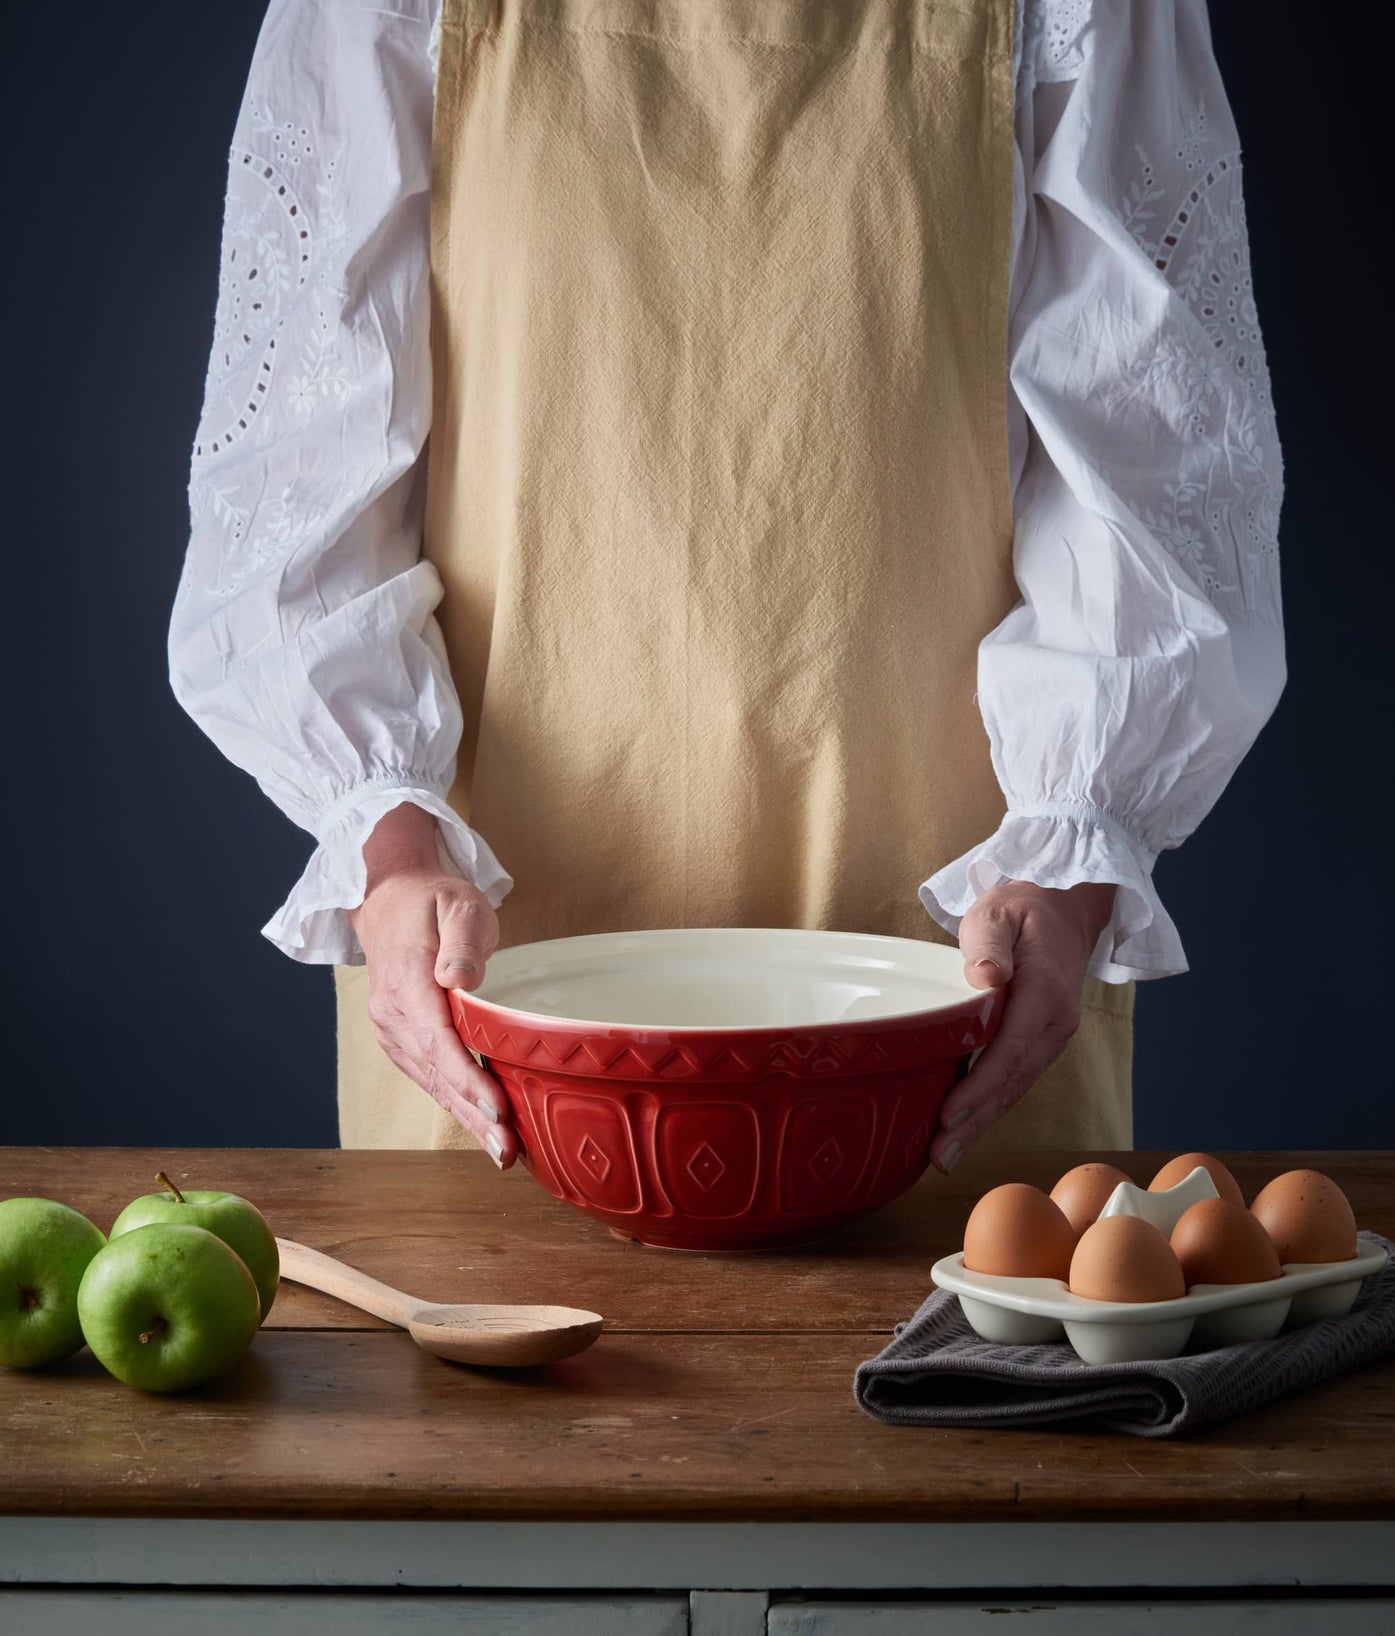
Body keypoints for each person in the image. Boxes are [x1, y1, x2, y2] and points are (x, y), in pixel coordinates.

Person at [169, 0, 1284, 1178]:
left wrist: (1064, 878)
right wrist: (388, 854)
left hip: (958, 977)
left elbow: (1155, 470)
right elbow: (296, 486)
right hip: (497, 996)